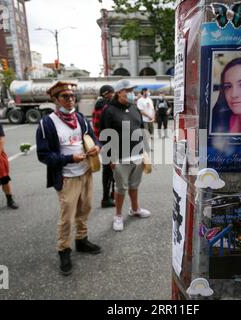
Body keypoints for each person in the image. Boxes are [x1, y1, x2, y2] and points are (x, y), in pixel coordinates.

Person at [36, 81, 102, 276]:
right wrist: (68, 158)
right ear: (55, 100)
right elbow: (43, 155)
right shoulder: (47, 123)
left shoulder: (80, 117)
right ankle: (63, 249)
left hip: (86, 171)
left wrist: (96, 146)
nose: (70, 99)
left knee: (85, 208)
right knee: (67, 217)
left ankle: (81, 240)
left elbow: (92, 136)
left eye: (73, 96)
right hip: (67, 177)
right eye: (65, 96)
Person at [100, 79, 151, 232]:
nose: (130, 93)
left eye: (132, 90)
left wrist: (145, 152)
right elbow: (105, 136)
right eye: (127, 91)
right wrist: (110, 158)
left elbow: (142, 131)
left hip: (137, 155)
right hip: (120, 158)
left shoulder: (134, 109)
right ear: (118, 93)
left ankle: (135, 209)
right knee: (120, 188)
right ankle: (118, 216)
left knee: (134, 185)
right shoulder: (109, 110)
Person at [92, 85, 115, 208]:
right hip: (108, 142)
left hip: (107, 142)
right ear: (106, 94)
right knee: (109, 170)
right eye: (110, 93)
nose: (112, 94)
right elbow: (98, 127)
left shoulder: (103, 105)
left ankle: (111, 194)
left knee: (111, 170)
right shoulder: (104, 106)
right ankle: (106, 198)